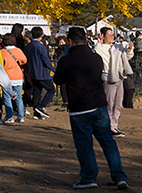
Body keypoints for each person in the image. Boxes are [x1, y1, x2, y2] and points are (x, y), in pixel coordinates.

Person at [53, 26, 128, 190]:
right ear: (86, 39)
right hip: (99, 105)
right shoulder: (96, 58)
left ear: (70, 41)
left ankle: (89, 177)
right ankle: (120, 177)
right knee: (108, 142)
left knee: (85, 145)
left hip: (80, 108)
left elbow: (58, 80)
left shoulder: (66, 60)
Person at [94, 27, 130, 136]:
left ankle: (114, 126)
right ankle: (108, 127)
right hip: (108, 77)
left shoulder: (117, 47)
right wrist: (98, 43)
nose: (111, 37)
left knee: (118, 104)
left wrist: (130, 49)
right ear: (103, 36)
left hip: (119, 77)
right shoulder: (100, 48)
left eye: (112, 35)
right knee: (109, 104)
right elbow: (96, 52)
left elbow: (127, 57)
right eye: (109, 35)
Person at [25, 26, 56, 120]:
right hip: (42, 73)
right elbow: (45, 60)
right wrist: (53, 69)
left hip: (32, 73)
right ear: (42, 35)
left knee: (37, 92)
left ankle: (36, 113)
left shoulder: (28, 46)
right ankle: (41, 106)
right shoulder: (41, 46)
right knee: (51, 90)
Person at [0, 34, 27, 124]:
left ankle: (9, 116)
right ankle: (21, 116)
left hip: (7, 77)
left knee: (7, 97)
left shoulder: (2, 51)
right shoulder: (18, 50)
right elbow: (24, 60)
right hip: (18, 76)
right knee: (18, 97)